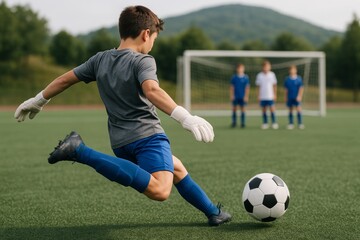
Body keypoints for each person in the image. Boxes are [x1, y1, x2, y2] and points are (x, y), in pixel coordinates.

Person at [14, 6, 231, 226]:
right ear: (146, 34)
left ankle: (214, 212)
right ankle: (80, 151)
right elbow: (152, 90)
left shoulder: (100, 60)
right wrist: (185, 117)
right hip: (148, 139)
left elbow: (64, 80)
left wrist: (38, 100)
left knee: (176, 168)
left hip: (120, 143)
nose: (152, 44)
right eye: (153, 38)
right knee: (161, 190)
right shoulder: (143, 61)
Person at [255, 60, 278, 130]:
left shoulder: (272, 74)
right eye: (265, 66)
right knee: (264, 110)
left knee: (272, 109)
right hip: (263, 96)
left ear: (270, 67)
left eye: (268, 66)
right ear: (263, 67)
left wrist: (275, 94)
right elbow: (258, 87)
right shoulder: (259, 75)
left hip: (270, 95)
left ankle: (274, 123)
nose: (266, 68)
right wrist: (258, 95)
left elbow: (274, 85)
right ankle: (265, 123)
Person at [284, 65, 305, 130]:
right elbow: (286, 89)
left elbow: (301, 88)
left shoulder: (299, 79)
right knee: (290, 110)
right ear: (289, 71)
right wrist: (285, 96)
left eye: (293, 69)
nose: (292, 71)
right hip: (290, 97)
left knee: (298, 109)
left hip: (297, 97)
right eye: (291, 70)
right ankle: (291, 123)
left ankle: (300, 123)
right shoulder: (287, 79)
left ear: (296, 70)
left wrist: (299, 96)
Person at [230, 64, 250, 128]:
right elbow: (232, 87)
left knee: (243, 109)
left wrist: (246, 96)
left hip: (242, 96)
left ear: (243, 69)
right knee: (234, 109)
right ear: (237, 69)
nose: (240, 70)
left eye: (241, 68)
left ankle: (243, 123)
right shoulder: (234, 77)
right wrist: (232, 95)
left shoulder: (245, 78)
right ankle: (234, 122)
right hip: (236, 96)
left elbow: (247, 88)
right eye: (239, 68)